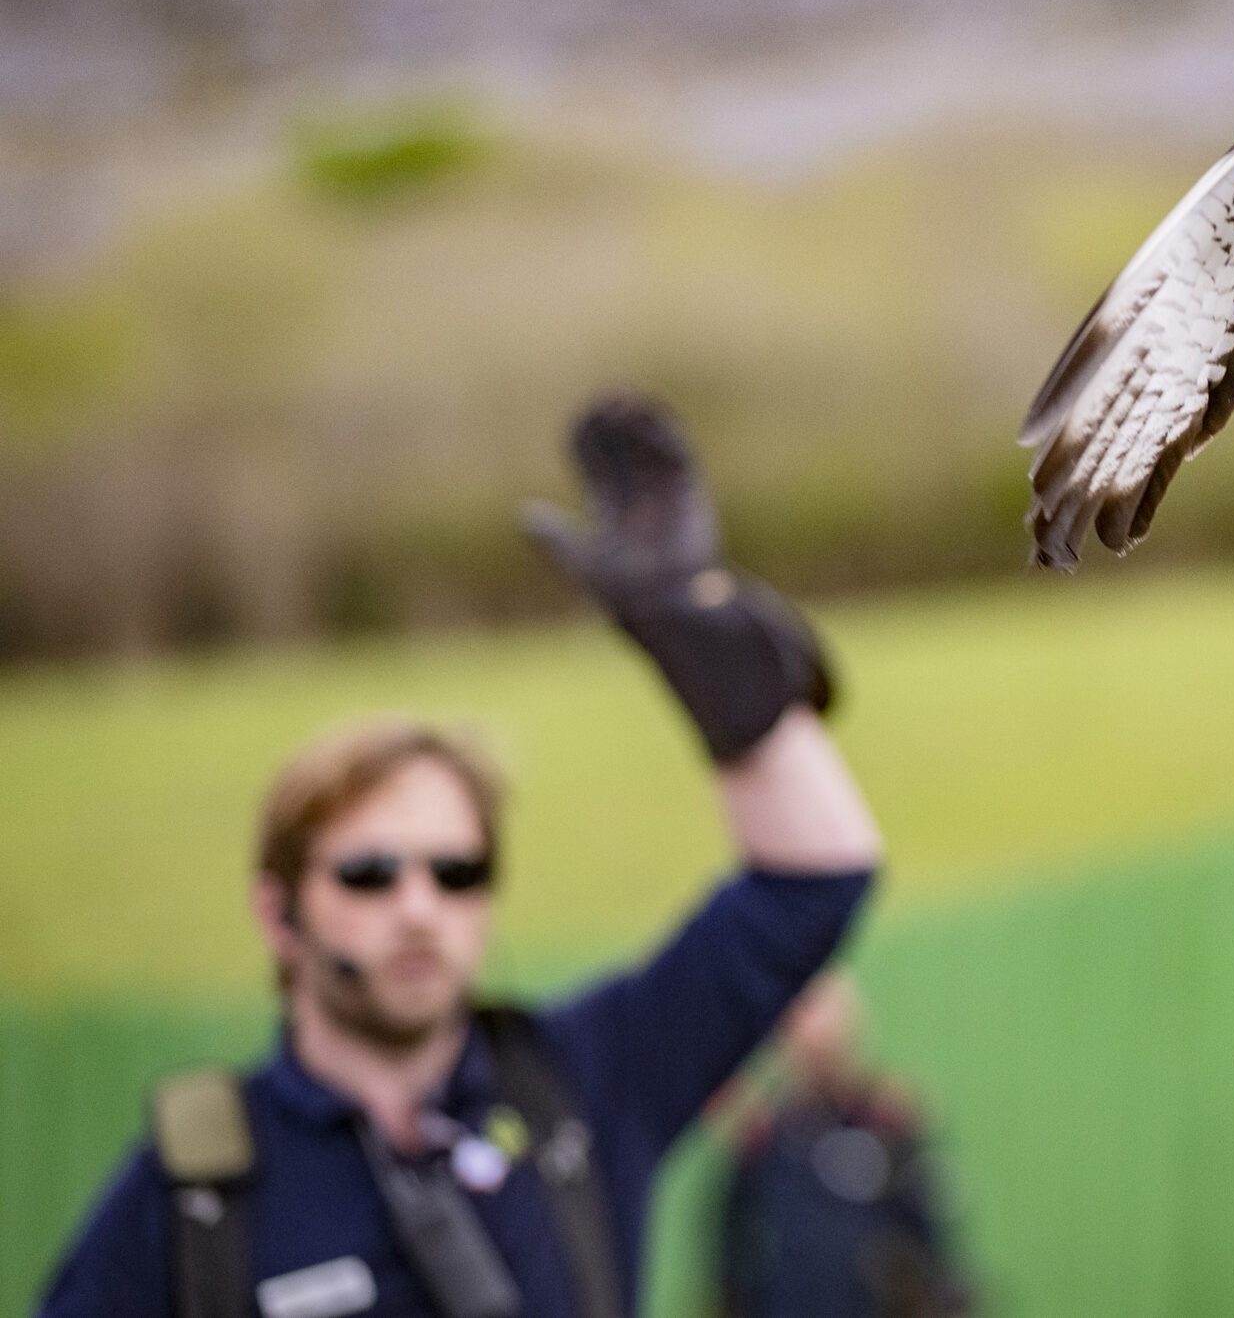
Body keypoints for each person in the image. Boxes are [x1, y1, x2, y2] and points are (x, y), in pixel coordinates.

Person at [42, 395, 882, 1318]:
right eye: (369, 873)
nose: (417, 906)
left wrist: (692, 624)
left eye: (456, 871)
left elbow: (817, 881)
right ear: (278, 915)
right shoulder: (197, 1188)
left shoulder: (590, 1080)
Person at [709, 975, 969, 1318]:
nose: (820, 1054)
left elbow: (933, 1250)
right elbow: (730, 1256)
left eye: (830, 1044)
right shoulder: (765, 1142)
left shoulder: (889, 1126)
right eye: (807, 1044)